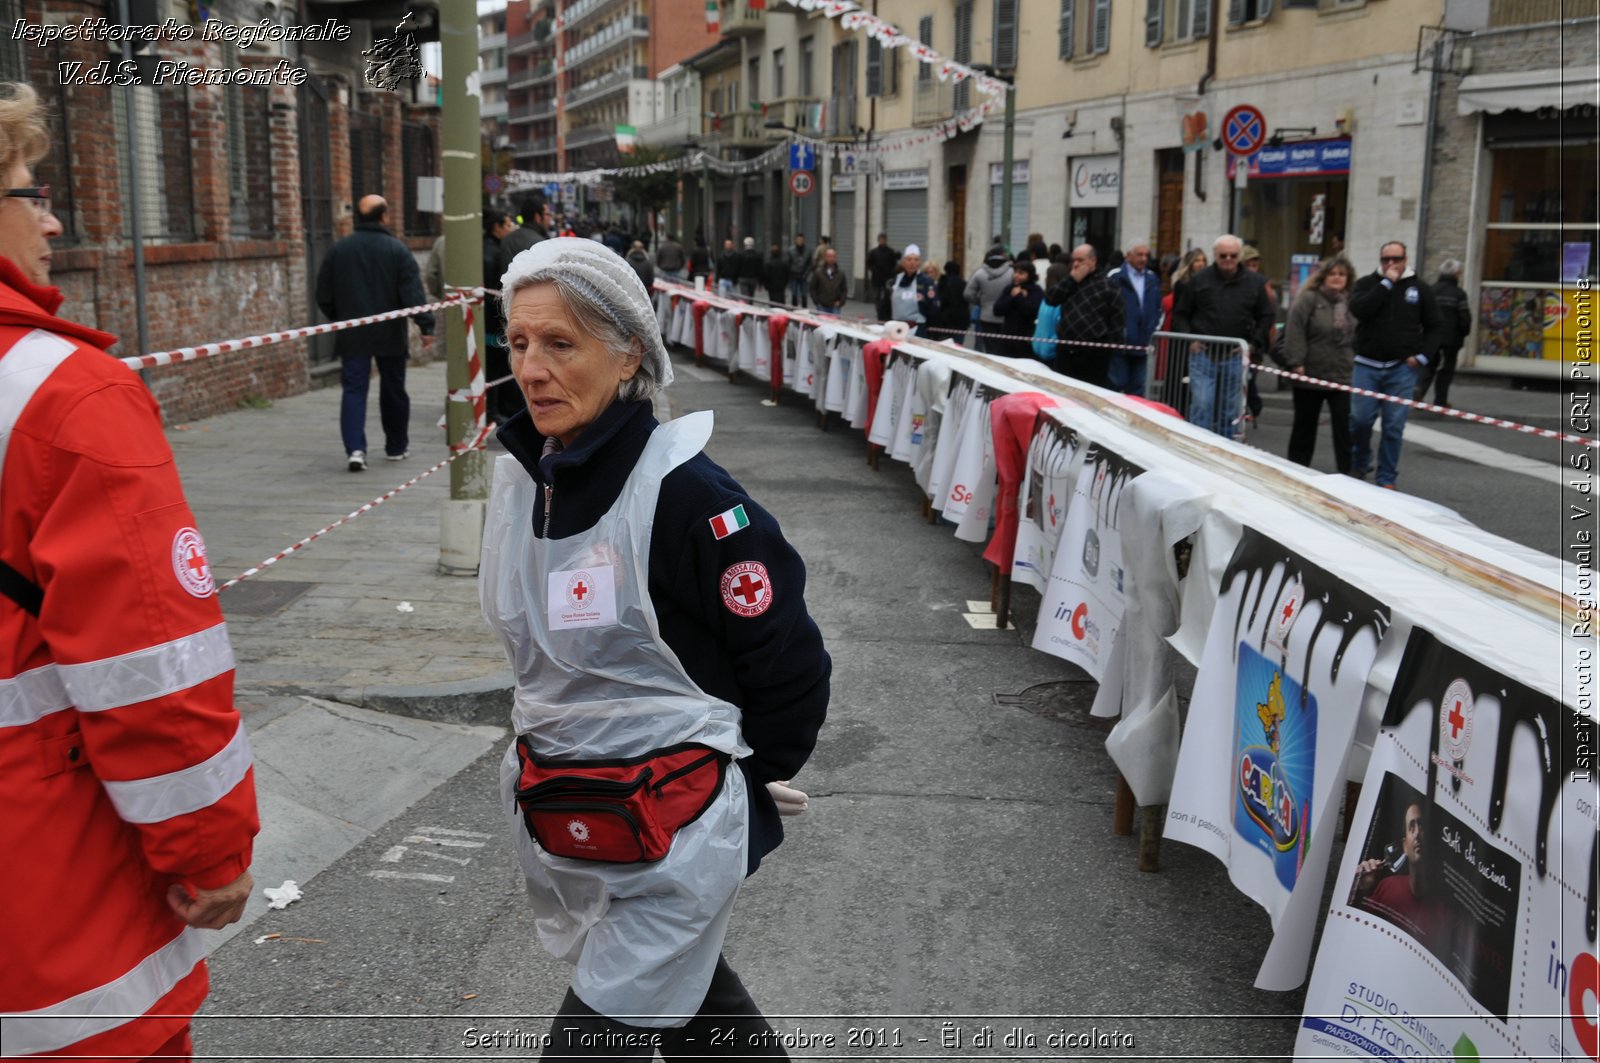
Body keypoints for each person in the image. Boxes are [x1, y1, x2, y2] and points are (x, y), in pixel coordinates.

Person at [484, 237, 830, 1055]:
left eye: (560, 344)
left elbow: (788, 661)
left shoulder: (688, 495)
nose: (532, 368)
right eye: (521, 342)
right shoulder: (528, 482)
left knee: (597, 1027)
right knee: (699, 1003)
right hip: (581, 817)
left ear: (628, 349)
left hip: (677, 827)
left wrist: (740, 779)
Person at [0, 81, 259, 1061]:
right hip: (50, 922)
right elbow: (155, 669)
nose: (51, 217)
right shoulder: (62, 398)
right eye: (30, 188)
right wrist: (210, 853)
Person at [316, 194, 434, 470]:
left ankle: (355, 449)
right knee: (393, 388)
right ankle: (396, 446)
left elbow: (323, 293)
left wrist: (340, 318)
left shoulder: (339, 250)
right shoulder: (397, 250)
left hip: (353, 332)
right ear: (384, 216)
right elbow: (412, 293)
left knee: (354, 389)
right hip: (389, 331)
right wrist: (425, 325)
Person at [1349, 240, 1442, 488]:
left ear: (1405, 259)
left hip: (1401, 368)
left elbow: (1435, 326)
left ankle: (1386, 477)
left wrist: (1422, 357)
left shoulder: (1420, 289)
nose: (1391, 264)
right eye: (1386, 259)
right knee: (1360, 420)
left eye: (1396, 259)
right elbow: (1359, 310)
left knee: (1393, 425)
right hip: (1367, 365)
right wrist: (1386, 284)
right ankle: (1360, 461)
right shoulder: (1367, 284)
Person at [1173, 234, 1273, 436]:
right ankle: (1198, 450)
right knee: (1202, 405)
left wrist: (1253, 344)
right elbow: (1181, 313)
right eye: (1223, 255)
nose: (1228, 259)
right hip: (1203, 354)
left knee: (1230, 409)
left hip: (1235, 356)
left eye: (1233, 255)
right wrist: (1190, 339)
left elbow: (1266, 315)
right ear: (1215, 255)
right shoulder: (1199, 280)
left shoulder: (1254, 283)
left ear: (1240, 256)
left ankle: (1226, 453)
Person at [1283, 255, 1357, 472]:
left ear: (1348, 278)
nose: (1337, 278)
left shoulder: (1352, 302)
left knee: (1345, 428)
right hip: (1311, 373)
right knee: (1305, 427)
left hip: (1342, 374)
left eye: (1341, 274)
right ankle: (1298, 469)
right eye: (1333, 274)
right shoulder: (1309, 299)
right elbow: (1295, 330)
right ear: (1324, 277)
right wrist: (1296, 362)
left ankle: (1347, 473)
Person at [1351, 802, 1449, 946]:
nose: (1416, 833)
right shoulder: (1387, 886)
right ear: (1404, 846)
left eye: (1422, 826)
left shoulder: (1445, 912)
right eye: (1411, 827)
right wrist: (1359, 890)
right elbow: (1356, 934)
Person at [1044, 243, 1125, 387]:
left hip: (1094, 356)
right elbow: (1050, 299)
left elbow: (1117, 319)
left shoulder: (1108, 285)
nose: (1075, 264)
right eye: (1073, 260)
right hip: (1065, 351)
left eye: (1080, 260)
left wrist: (1107, 348)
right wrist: (1072, 280)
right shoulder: (1070, 282)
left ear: (1092, 261)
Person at [1414, 258, 1471, 407]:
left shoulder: (1430, 291)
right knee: (1447, 369)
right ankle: (1440, 400)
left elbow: (1420, 313)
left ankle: (1419, 389)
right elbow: (1464, 317)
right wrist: (1464, 333)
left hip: (1430, 336)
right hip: (1451, 339)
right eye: (1459, 273)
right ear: (1456, 274)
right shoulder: (1459, 294)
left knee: (1428, 364)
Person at [483, 208, 522, 425]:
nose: (511, 229)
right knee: (496, 367)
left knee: (494, 366)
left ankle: (494, 408)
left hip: (490, 319)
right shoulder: (496, 254)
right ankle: (492, 410)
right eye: (507, 225)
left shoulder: (489, 248)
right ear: (497, 227)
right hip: (493, 320)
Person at [1109, 243, 1162, 395]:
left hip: (1144, 344)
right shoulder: (1115, 276)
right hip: (1121, 344)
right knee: (1116, 387)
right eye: (1139, 254)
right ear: (1128, 255)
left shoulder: (1152, 278)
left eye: (1146, 255)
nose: (1144, 259)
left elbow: (1158, 307)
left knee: (1139, 389)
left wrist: (1154, 330)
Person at [964, 244, 1013, 354]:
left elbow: (967, 293)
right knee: (1004, 348)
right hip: (1005, 316)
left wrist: (980, 301)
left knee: (990, 348)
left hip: (986, 315)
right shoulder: (1011, 272)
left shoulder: (980, 272)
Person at [991, 260, 1045, 359]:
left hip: (1025, 341)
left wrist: (1019, 297)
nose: (1016, 275)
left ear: (1030, 275)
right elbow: (997, 310)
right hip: (1007, 339)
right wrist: (1012, 297)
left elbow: (1030, 311)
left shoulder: (1036, 291)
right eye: (1015, 272)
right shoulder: (1010, 288)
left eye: (1021, 273)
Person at [886, 243, 938, 337]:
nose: (912, 263)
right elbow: (886, 303)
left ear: (919, 263)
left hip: (918, 328)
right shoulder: (896, 279)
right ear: (903, 262)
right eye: (909, 259)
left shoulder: (925, 281)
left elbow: (933, 307)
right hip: (896, 327)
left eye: (915, 260)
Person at [500, 192, 552, 262]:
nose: (550, 218)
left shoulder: (507, 239)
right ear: (538, 217)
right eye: (548, 214)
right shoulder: (540, 244)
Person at [1163, 247, 1206, 331]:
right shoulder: (1182, 283)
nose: (1201, 263)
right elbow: (1179, 311)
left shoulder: (1207, 281)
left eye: (1203, 260)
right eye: (1197, 260)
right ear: (1190, 263)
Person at [866, 232, 900, 320]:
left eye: (883, 240)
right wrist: (874, 269)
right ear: (878, 241)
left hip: (887, 279)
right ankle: (879, 311)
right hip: (876, 278)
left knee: (887, 295)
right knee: (876, 296)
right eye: (881, 240)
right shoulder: (873, 252)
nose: (882, 241)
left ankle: (886, 311)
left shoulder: (890, 252)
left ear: (886, 240)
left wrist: (892, 274)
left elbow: (894, 264)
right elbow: (869, 263)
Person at [808, 245, 848, 315]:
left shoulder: (841, 274)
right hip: (822, 306)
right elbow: (812, 288)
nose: (831, 259)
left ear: (836, 258)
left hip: (835, 306)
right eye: (829, 256)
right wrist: (817, 302)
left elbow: (844, 289)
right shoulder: (818, 273)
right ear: (825, 258)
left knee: (835, 325)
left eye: (833, 256)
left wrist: (841, 301)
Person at [935, 258, 970, 338]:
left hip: (946, 321)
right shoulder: (964, 284)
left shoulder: (944, 283)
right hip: (962, 320)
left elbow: (942, 300)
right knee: (958, 344)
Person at [785, 233, 811, 308]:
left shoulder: (808, 251)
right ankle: (794, 309)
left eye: (801, 240)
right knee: (794, 294)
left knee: (804, 295)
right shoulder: (791, 250)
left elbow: (810, 264)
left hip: (804, 275)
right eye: (798, 240)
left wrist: (806, 274)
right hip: (794, 275)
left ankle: (804, 309)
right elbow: (788, 263)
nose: (800, 241)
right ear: (795, 240)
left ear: (804, 241)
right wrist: (790, 273)